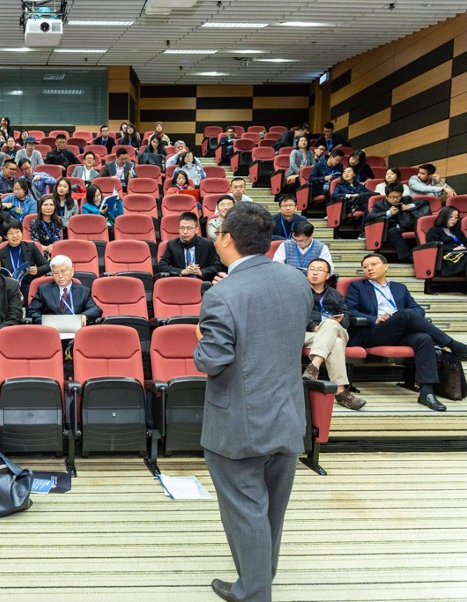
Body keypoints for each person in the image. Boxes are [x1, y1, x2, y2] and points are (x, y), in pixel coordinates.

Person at [193, 202, 313, 602]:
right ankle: (260, 578)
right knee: (271, 512)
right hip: (288, 415)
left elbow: (213, 360)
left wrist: (199, 340)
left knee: (245, 511)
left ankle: (255, 592)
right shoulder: (297, 281)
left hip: (239, 426)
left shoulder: (222, 293)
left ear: (227, 239)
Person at [346, 253, 467, 412]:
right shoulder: (358, 287)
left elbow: (418, 309)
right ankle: (454, 345)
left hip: (400, 331)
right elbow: (350, 310)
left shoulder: (399, 288)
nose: (369, 268)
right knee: (405, 314)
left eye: (373, 264)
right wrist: (374, 318)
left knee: (423, 338)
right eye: (365, 266)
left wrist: (402, 318)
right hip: (373, 332)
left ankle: (427, 392)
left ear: (386, 266)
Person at [301, 258, 367, 410]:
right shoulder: (299, 292)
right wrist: (315, 327)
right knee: (335, 343)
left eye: (320, 270)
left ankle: (313, 367)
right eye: (312, 269)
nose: (315, 272)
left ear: (328, 275)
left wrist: (338, 322)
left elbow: (347, 317)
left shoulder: (336, 295)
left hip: (337, 331)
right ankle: (341, 392)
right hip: (309, 334)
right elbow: (295, 313)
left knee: (331, 325)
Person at [26, 255, 102, 325]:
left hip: (74, 331)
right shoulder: (43, 290)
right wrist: (44, 322)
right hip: (50, 330)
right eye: (56, 273)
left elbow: (96, 309)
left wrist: (84, 316)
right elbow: (32, 310)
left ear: (72, 272)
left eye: (63, 271)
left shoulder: (83, 291)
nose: (60, 276)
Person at [365, 183, 430, 262]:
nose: (395, 199)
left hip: (408, 225)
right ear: (386, 196)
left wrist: (410, 206)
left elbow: (425, 202)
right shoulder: (380, 205)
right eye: (392, 197)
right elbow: (369, 217)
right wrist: (388, 213)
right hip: (390, 229)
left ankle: (426, 254)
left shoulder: (406, 200)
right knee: (392, 231)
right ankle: (407, 257)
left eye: (398, 196)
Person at [156, 212, 222, 284]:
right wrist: (182, 271)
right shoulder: (172, 245)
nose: (185, 232)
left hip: (202, 284)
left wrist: (201, 272)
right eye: (182, 228)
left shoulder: (207, 244)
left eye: (189, 228)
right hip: (180, 283)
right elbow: (161, 266)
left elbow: (217, 266)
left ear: (196, 230)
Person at [0, 219, 50, 297]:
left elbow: (47, 266)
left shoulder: (31, 247)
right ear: (6, 236)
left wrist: (37, 271)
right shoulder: (0, 253)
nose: (15, 236)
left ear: (22, 232)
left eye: (17, 232)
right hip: (8, 286)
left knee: (31, 291)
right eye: (11, 233)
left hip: (27, 284)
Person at [426, 206, 467, 276]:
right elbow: (433, 247)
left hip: (462, 256)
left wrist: (463, 248)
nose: (454, 220)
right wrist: (453, 249)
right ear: (444, 217)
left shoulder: (457, 232)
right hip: (446, 261)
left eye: (456, 217)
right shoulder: (434, 231)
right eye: (451, 217)